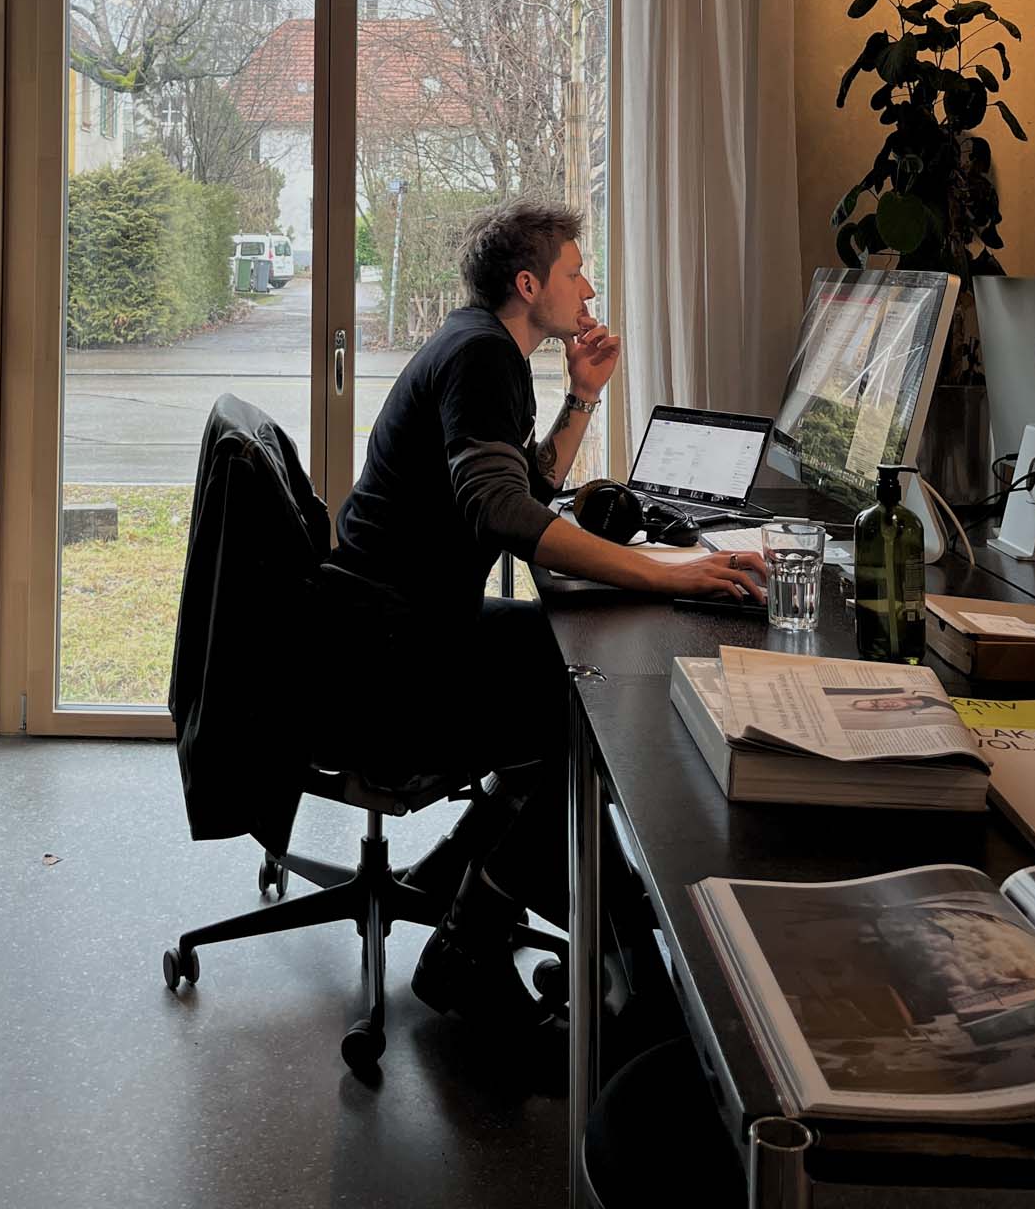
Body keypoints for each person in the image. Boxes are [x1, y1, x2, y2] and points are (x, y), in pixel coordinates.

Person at [324, 199, 766, 1070]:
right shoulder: (484, 355)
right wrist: (671, 572)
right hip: (395, 651)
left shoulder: (478, 344)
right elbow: (501, 512)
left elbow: (518, 484)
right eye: (575, 271)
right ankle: (474, 940)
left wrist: (582, 399)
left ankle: (465, 879)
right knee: (587, 703)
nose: (589, 286)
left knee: (566, 670)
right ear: (530, 285)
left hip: (385, 626)